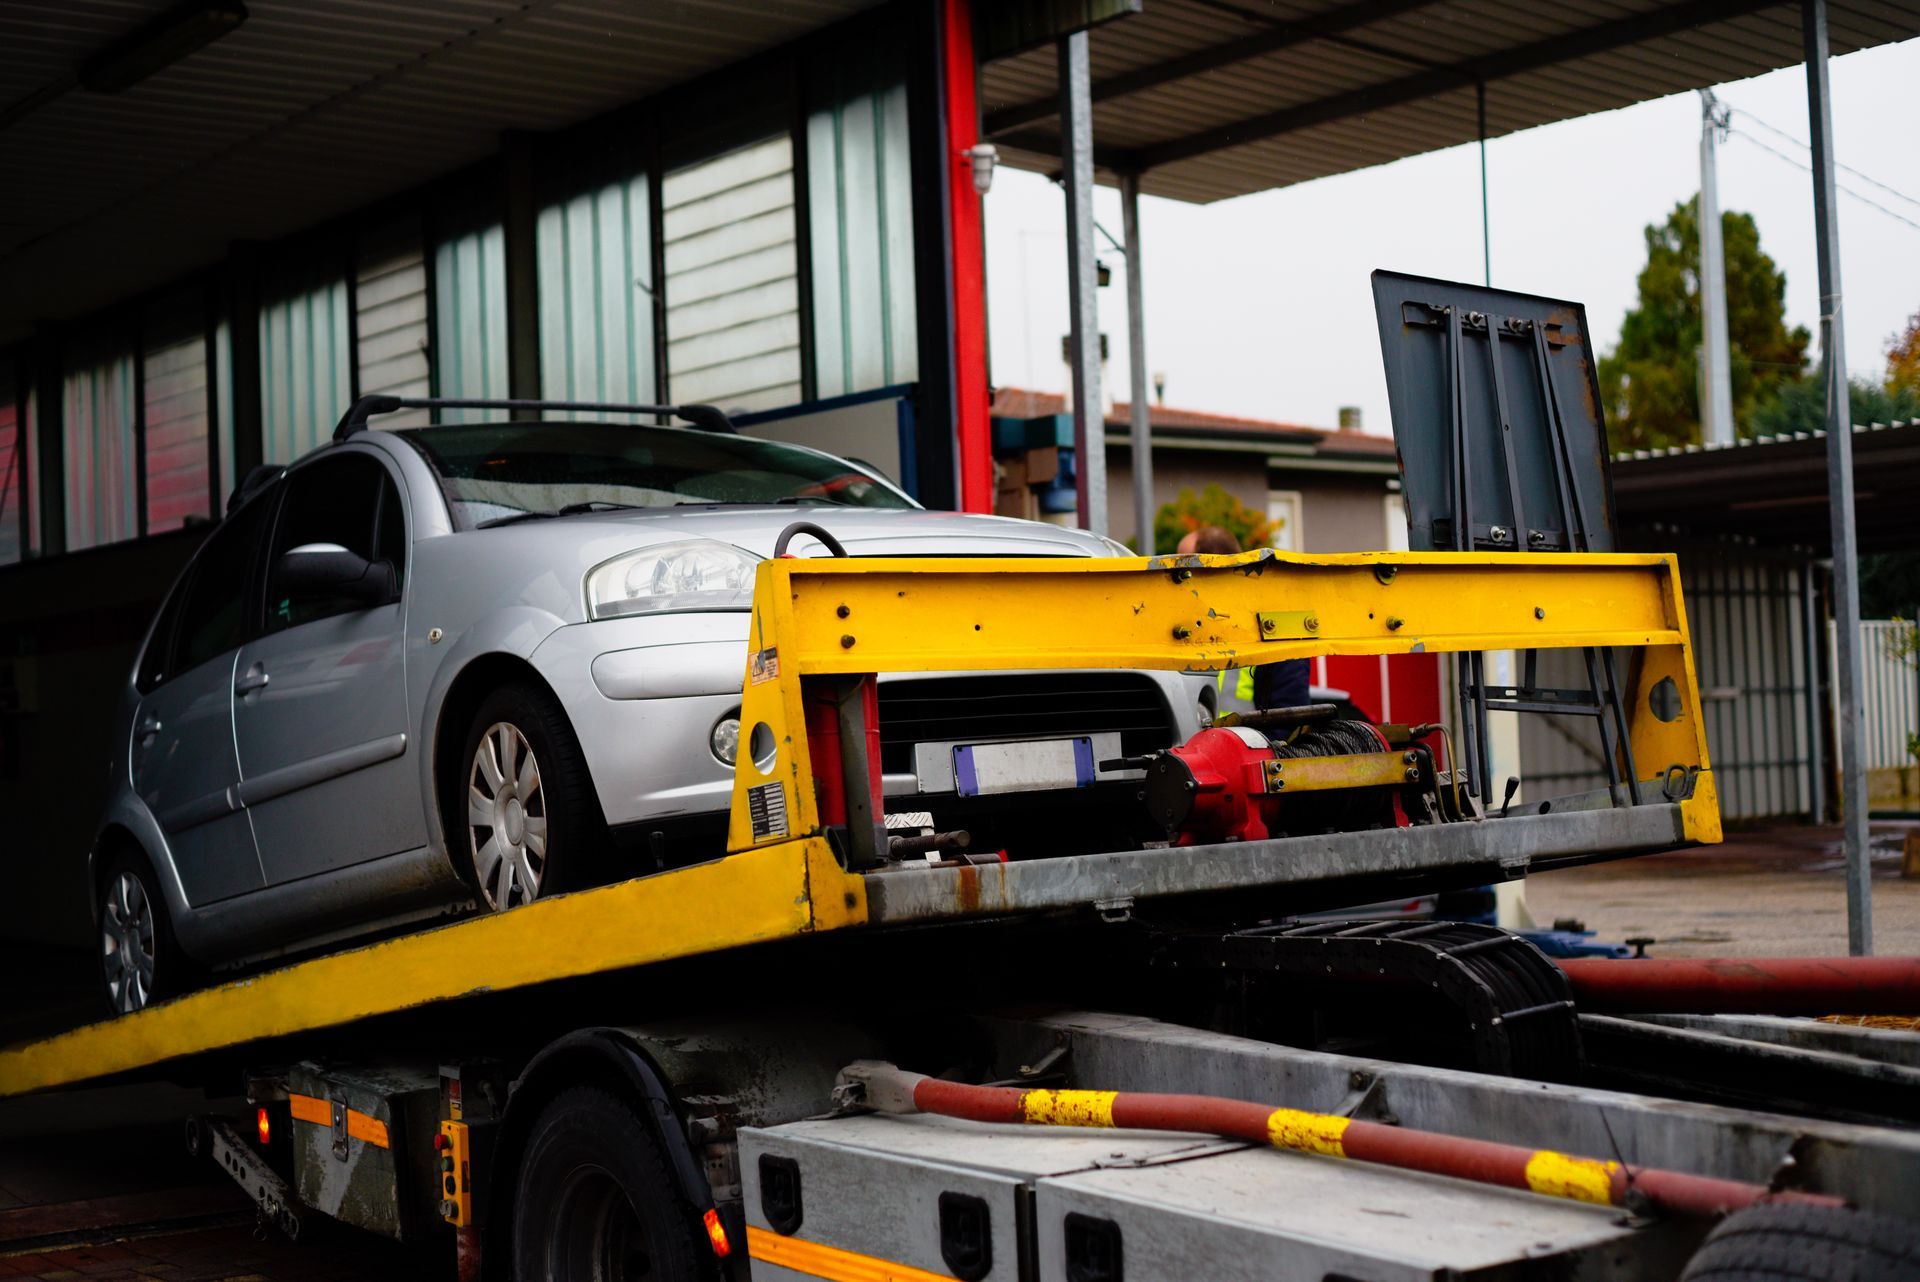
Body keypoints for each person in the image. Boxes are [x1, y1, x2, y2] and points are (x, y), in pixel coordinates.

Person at [1176, 524, 1311, 712]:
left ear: (1210, 568)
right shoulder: (1183, 625)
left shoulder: (1272, 625)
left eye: (1183, 568)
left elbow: (1290, 715)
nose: (1177, 579)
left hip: (1249, 742)